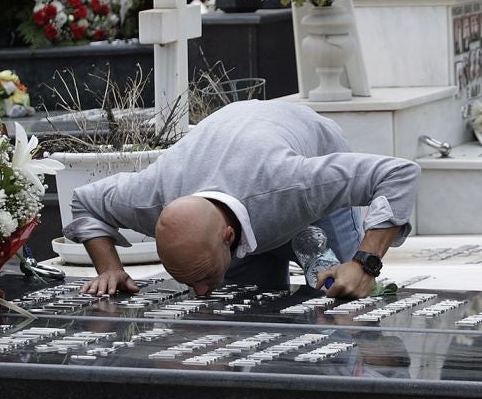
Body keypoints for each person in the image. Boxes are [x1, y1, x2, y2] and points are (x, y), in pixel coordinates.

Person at [66, 99, 419, 300]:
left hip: (300, 174)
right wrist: (110, 268)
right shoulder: (151, 195)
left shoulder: (295, 183)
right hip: (236, 167)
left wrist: (364, 263)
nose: (199, 291)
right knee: (243, 299)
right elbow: (85, 202)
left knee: (345, 293)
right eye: (188, 280)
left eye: (200, 276)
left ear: (228, 236)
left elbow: (398, 174)